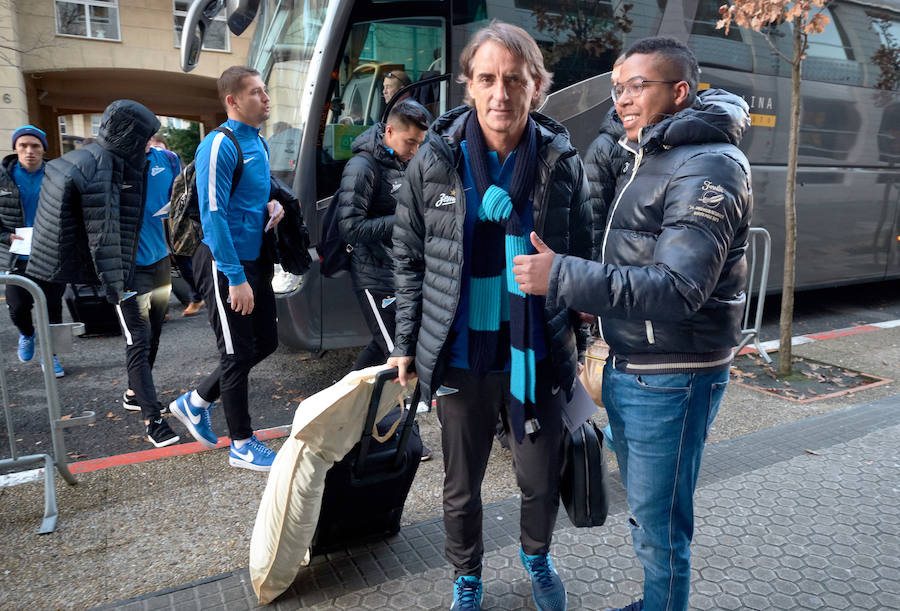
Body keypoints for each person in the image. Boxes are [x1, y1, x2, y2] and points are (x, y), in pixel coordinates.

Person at [512, 37, 753, 611]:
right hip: (640, 364)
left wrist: (565, 276)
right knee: (650, 516)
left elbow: (678, 288)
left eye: (638, 86)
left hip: (671, 373)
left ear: (680, 91)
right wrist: (600, 295)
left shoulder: (707, 165)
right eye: (618, 87)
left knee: (659, 526)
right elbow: (641, 259)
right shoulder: (654, 151)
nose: (622, 98)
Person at [388, 21, 593, 611]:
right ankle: (467, 576)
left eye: (514, 79)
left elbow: (580, 254)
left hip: (536, 353)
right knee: (460, 486)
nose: (500, 93)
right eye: (487, 79)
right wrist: (405, 341)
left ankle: (536, 556)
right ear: (469, 87)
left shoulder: (560, 163)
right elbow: (409, 256)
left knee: (538, 478)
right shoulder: (435, 162)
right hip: (459, 356)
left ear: (537, 87)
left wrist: (580, 336)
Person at [168, 66, 285, 472]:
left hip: (255, 258)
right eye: (255, 92)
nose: (265, 98)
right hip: (223, 261)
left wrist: (274, 205)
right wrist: (234, 277)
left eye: (265, 90)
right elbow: (213, 213)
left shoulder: (259, 142)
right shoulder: (219, 144)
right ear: (232, 102)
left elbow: (256, 192)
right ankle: (242, 443)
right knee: (236, 353)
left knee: (265, 342)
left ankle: (196, 400)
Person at [336, 98, 434, 461]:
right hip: (374, 275)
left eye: (420, 144)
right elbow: (350, 227)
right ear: (389, 132)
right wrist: (407, 219)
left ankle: (340, 409)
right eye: (410, 142)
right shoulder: (361, 166)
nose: (415, 151)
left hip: (400, 271)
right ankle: (406, 441)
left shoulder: (403, 161)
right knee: (398, 352)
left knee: (383, 350)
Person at [116, 138, 181, 447]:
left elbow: (179, 199)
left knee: (154, 333)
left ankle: (133, 393)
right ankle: (153, 419)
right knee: (139, 340)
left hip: (160, 261)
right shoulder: (111, 165)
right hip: (128, 271)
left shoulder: (167, 159)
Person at [0, 125, 67, 376]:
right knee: (18, 306)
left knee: (53, 308)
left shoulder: (58, 175)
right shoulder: (3, 177)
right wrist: (6, 236)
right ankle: (27, 334)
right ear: (16, 148)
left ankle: (51, 357)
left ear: (43, 149)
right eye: (23, 145)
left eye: (35, 146)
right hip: (17, 253)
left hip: (51, 252)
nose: (29, 151)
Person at [149, 132, 205, 316]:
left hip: (173, 222)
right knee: (161, 266)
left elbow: (183, 190)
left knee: (184, 264)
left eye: (159, 147)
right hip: (152, 226)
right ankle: (162, 307)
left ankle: (199, 298)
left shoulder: (170, 162)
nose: (155, 151)